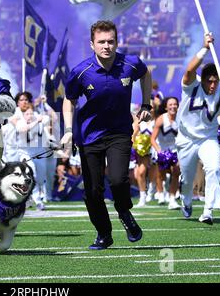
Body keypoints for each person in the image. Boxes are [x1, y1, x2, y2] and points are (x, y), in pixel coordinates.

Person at [61, 20, 152, 250]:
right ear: (92, 44)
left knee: (118, 179)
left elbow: (146, 73)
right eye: (101, 42)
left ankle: (124, 211)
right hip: (89, 136)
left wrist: (147, 104)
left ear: (117, 42)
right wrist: (69, 131)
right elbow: (69, 100)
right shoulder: (81, 71)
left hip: (119, 132)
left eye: (111, 41)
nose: (106, 46)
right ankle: (104, 233)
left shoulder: (130, 64)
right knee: (92, 191)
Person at [176, 32, 220, 224]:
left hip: (208, 138)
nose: (213, 85)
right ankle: (186, 200)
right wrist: (205, 48)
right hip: (186, 138)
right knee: (187, 179)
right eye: (209, 81)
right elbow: (188, 72)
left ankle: (208, 211)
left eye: (215, 81)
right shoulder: (191, 85)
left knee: (214, 168)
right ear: (202, 79)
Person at [150, 96, 181, 210]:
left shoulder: (181, 118)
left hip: (175, 150)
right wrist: (160, 152)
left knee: (176, 172)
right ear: (166, 107)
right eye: (170, 104)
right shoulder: (161, 119)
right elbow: (152, 139)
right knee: (161, 174)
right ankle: (161, 193)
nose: (173, 106)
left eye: (175, 104)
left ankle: (172, 199)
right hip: (162, 149)